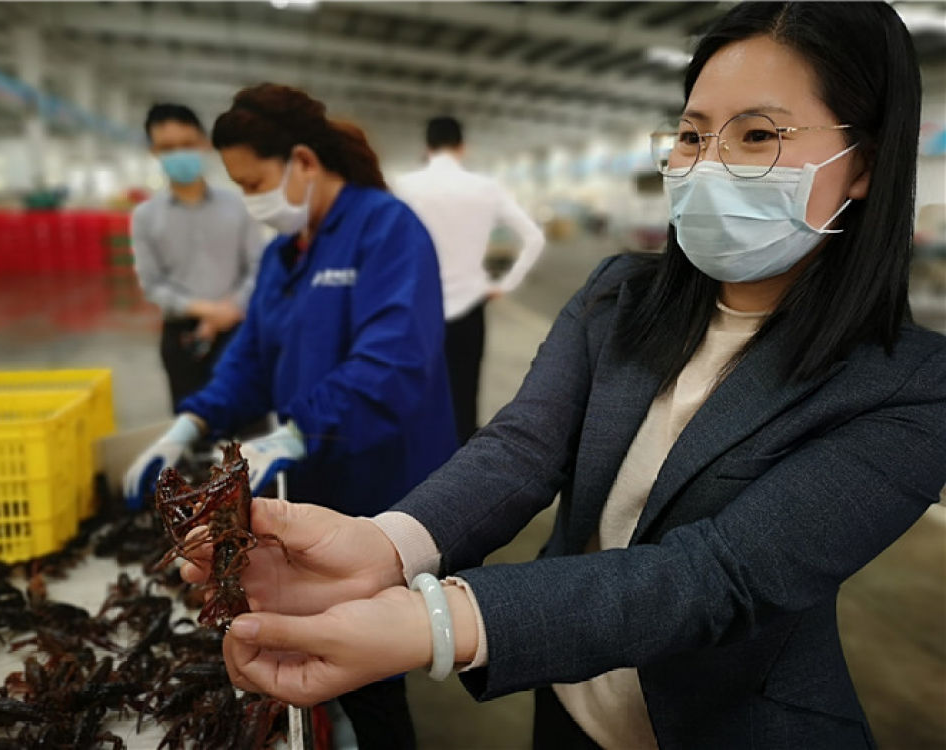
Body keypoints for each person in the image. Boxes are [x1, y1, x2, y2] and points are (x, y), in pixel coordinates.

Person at [181, 4, 946, 749]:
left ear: (864, 163)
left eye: (758, 135)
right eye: (691, 135)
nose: (707, 165)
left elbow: (718, 579)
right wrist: (386, 545)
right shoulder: (619, 298)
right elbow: (522, 448)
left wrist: (436, 621)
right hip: (570, 706)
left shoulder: (910, 388)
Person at [124, 84, 458, 749]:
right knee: (323, 640)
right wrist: (191, 422)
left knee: (371, 658)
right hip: (313, 479)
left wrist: (297, 431)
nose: (252, 200)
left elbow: (392, 363)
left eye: (254, 184)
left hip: (383, 478)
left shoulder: (387, 229)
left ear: (303, 161)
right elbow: (250, 359)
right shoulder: (283, 255)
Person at [395, 116, 545, 444]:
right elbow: (533, 237)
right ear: (462, 147)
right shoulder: (485, 188)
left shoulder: (403, 187)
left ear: (427, 147)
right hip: (469, 309)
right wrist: (504, 285)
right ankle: (459, 467)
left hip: (417, 309)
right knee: (463, 399)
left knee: (416, 396)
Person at [132, 103, 264, 410]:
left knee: (249, 425)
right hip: (183, 338)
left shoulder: (239, 205)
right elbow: (152, 283)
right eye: (168, 147)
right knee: (192, 423)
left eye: (187, 144)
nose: (179, 153)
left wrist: (232, 308)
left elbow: (258, 266)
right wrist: (206, 310)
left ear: (204, 144)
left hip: (240, 331)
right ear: (154, 152)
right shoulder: (145, 216)